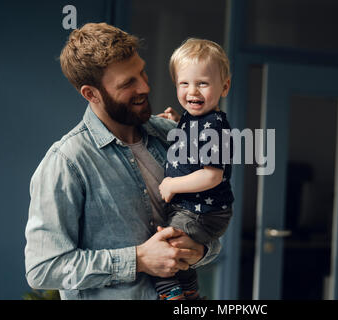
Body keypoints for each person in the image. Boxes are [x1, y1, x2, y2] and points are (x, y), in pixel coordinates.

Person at [24, 23, 220, 300]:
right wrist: (138, 259)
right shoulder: (66, 163)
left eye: (141, 72)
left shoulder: (171, 136)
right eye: (128, 83)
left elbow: (211, 217)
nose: (145, 86)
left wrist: (200, 249)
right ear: (91, 94)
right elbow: (43, 269)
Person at [153, 38, 234, 300]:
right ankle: (189, 290)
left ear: (224, 86)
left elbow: (212, 174)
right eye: (184, 83)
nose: (192, 92)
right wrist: (178, 122)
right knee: (175, 244)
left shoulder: (214, 128)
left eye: (203, 83)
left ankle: (172, 295)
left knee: (163, 247)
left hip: (203, 212)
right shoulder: (195, 118)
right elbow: (192, 143)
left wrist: (172, 185)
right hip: (192, 208)